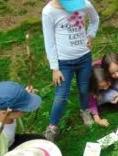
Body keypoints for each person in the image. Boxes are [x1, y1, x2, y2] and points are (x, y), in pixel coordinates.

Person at [42, 0, 99, 141]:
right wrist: (55, 68)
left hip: (84, 58)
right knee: (61, 95)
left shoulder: (84, 3)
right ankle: (52, 127)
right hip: (63, 63)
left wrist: (90, 35)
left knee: (84, 87)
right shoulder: (49, 12)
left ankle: (84, 111)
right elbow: (48, 42)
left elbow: (95, 18)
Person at [0, 81, 43, 156]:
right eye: (23, 111)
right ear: (5, 113)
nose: (25, 112)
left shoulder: (4, 113)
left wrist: (24, 97)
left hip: (12, 142)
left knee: (40, 140)